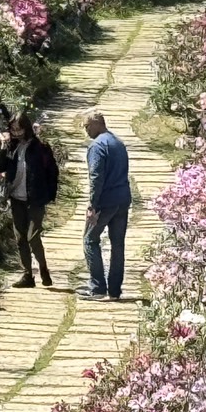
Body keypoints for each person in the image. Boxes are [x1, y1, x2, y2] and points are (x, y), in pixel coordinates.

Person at [0, 113, 59, 288]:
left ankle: (43, 268)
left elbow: (52, 172)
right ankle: (27, 275)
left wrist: (49, 194)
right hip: (16, 198)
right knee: (20, 237)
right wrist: (2, 148)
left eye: (19, 129)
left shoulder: (40, 147)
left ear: (27, 128)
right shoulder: (11, 147)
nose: (16, 133)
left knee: (33, 236)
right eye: (13, 129)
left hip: (35, 198)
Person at [81, 110, 131, 301]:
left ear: (97, 124)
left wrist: (92, 204)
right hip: (122, 199)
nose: (86, 131)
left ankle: (98, 287)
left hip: (105, 202)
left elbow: (96, 177)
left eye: (87, 126)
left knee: (90, 240)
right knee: (118, 245)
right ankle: (115, 290)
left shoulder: (97, 146)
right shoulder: (118, 143)